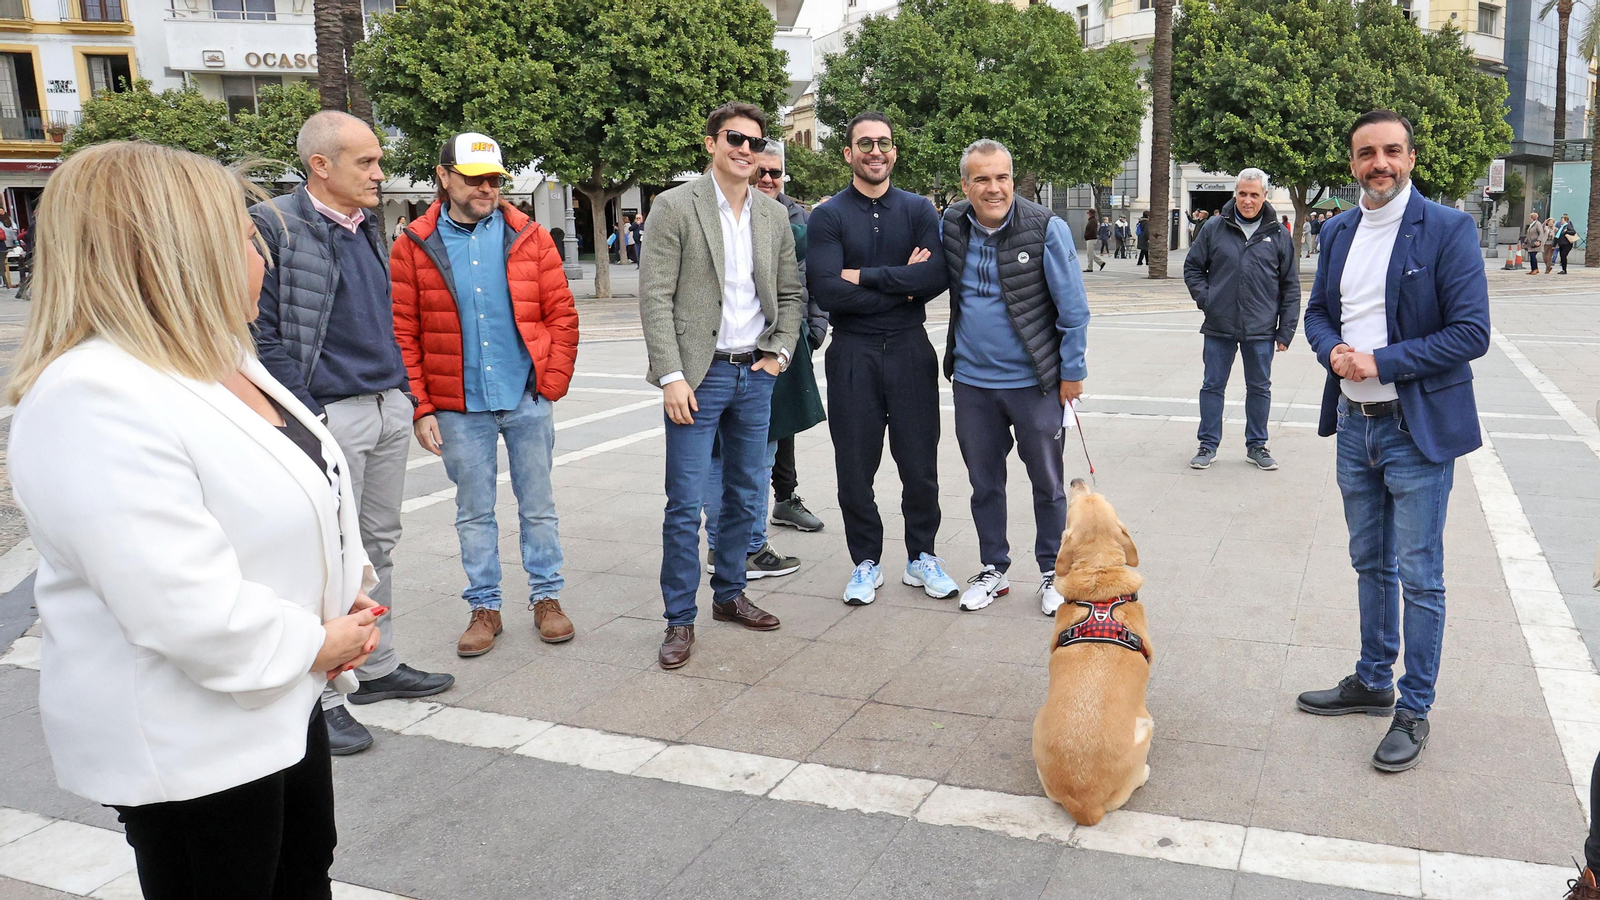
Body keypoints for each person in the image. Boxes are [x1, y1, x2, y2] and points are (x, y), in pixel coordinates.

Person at [8, 140, 383, 898]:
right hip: (195, 741)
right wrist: (319, 641)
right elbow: (178, 601)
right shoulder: (94, 396)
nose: (264, 261)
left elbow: (305, 492)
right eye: (246, 240)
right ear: (177, 256)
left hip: (284, 698)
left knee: (303, 873)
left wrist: (347, 595)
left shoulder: (221, 360)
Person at [252, 110, 453, 756]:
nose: (379, 173)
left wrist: (407, 397)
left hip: (385, 405)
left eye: (378, 160)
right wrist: (310, 417)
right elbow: (260, 333)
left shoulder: (365, 224)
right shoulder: (274, 225)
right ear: (320, 165)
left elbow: (383, 318)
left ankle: (377, 664)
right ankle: (325, 696)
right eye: (365, 161)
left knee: (376, 546)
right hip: (330, 414)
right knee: (326, 557)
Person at [1297, 110, 1491, 773]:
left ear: (1410, 158)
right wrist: (1332, 352)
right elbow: (1317, 313)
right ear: (1352, 163)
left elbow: (1471, 333)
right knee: (1369, 561)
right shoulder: (1338, 230)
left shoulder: (1448, 229)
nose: (1378, 163)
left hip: (1415, 429)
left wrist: (1379, 361)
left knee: (1420, 575)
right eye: (1366, 153)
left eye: (1390, 151)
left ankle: (1414, 707)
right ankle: (1373, 680)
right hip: (1355, 425)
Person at [391, 132, 580, 658]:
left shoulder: (530, 237)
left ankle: (547, 598)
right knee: (473, 511)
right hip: (458, 405)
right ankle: (484, 607)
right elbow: (403, 331)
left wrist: (550, 383)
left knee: (538, 505)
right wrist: (421, 407)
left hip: (525, 398)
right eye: (474, 179)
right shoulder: (414, 244)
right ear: (443, 176)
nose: (487, 188)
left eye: (494, 179)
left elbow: (562, 315)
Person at [640, 102, 802, 668]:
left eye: (754, 142)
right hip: (697, 378)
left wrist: (778, 354)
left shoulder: (772, 215)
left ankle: (730, 594)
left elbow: (791, 294)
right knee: (685, 503)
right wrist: (671, 375)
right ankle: (679, 619)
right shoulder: (674, 206)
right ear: (711, 143)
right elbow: (655, 296)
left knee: (744, 495)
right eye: (734, 138)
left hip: (754, 374)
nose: (745, 149)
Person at [808, 111, 954, 606]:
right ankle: (865, 561)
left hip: (911, 349)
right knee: (854, 466)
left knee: (920, 464)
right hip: (853, 351)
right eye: (865, 144)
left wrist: (863, 276)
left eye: (884, 143)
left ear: (894, 151)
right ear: (848, 153)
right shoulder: (828, 215)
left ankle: (922, 556)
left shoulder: (918, 210)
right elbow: (827, 290)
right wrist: (902, 285)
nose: (876, 151)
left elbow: (934, 278)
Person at [941, 140, 1090, 615]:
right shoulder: (951, 223)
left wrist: (1072, 372)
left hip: (1035, 384)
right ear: (965, 185)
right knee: (984, 483)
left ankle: (1053, 572)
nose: (994, 188)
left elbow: (1073, 309)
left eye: (1002, 177)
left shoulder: (1045, 227)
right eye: (982, 179)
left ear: (1012, 179)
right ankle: (994, 568)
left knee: (1048, 483)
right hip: (972, 384)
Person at [698, 139, 824, 578]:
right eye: (760, 171)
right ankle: (732, 547)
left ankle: (746, 544)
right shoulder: (708, 209)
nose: (768, 179)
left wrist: (808, 332)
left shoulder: (789, 215)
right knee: (723, 457)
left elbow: (804, 282)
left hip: (772, 352)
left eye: (775, 173)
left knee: (762, 452)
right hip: (717, 356)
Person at [1183, 168, 1300, 472]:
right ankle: (1208, 444)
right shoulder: (1214, 227)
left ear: (1265, 196)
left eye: (1254, 195)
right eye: (1243, 194)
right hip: (1219, 324)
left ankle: (1257, 445)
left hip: (1261, 327)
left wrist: (1286, 330)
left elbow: (1290, 285)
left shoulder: (1278, 233)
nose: (1248, 200)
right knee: (1212, 386)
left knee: (1259, 388)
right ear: (1235, 194)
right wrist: (1207, 300)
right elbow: (1193, 268)